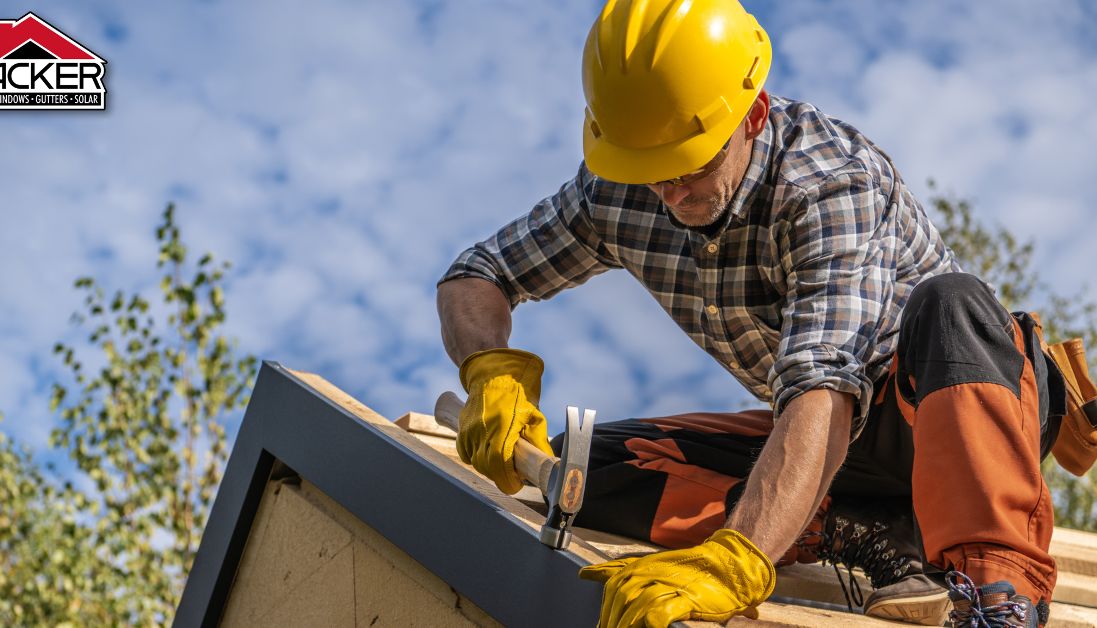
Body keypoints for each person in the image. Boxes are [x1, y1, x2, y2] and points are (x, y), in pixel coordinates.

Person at [436, 1, 1062, 626]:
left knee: (952, 301)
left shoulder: (826, 184)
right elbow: (477, 275)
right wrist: (490, 370)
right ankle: (867, 530)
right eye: (649, 171)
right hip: (836, 440)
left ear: (753, 115)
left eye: (693, 165)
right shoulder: (622, 186)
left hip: (947, 413)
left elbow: (824, 384)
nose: (671, 194)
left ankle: (994, 594)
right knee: (585, 465)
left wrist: (738, 558)